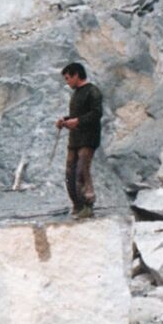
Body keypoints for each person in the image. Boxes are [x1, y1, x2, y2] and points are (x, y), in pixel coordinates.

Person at [55, 62, 103, 219]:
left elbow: (96, 114)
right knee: (69, 172)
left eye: (68, 78)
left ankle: (87, 205)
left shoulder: (93, 92)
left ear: (76, 75)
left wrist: (77, 122)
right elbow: (78, 114)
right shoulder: (76, 93)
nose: (67, 82)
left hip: (88, 139)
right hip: (74, 139)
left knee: (82, 171)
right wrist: (65, 120)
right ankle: (76, 204)